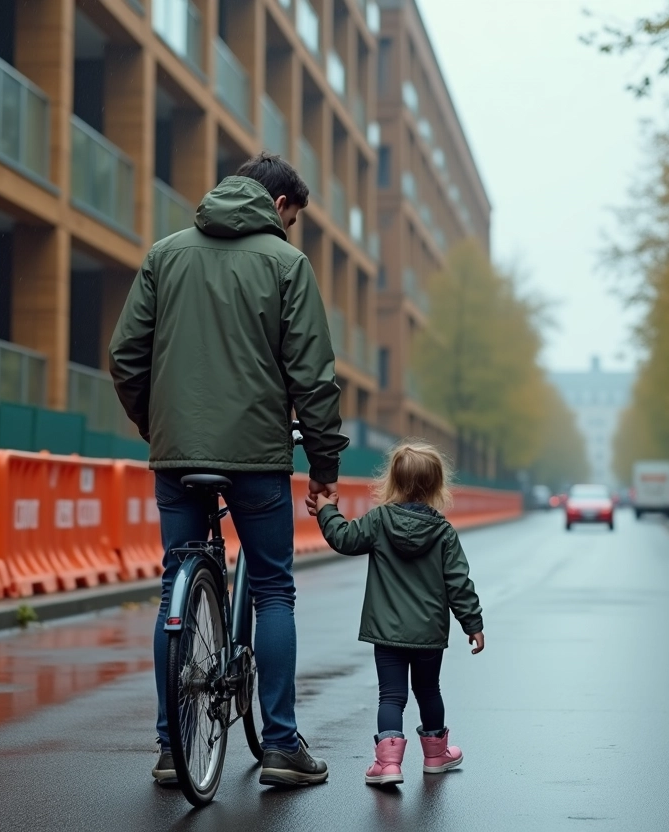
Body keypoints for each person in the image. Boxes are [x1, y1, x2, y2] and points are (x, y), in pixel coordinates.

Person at [110, 152, 347, 789]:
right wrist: (322, 463)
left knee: (173, 590)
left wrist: (158, 428)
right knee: (272, 588)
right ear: (277, 206)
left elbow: (126, 355)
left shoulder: (165, 254)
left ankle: (170, 748)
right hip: (256, 459)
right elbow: (314, 380)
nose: (290, 231)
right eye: (291, 219)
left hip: (177, 454)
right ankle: (279, 744)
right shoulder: (286, 264)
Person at [311, 441, 484, 786]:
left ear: (392, 481)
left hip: (387, 633)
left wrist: (326, 509)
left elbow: (344, 539)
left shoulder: (378, 521)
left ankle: (388, 765)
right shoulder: (443, 533)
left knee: (391, 695)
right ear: (437, 486)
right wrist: (473, 623)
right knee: (428, 691)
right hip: (428, 634)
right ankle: (436, 756)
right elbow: (458, 583)